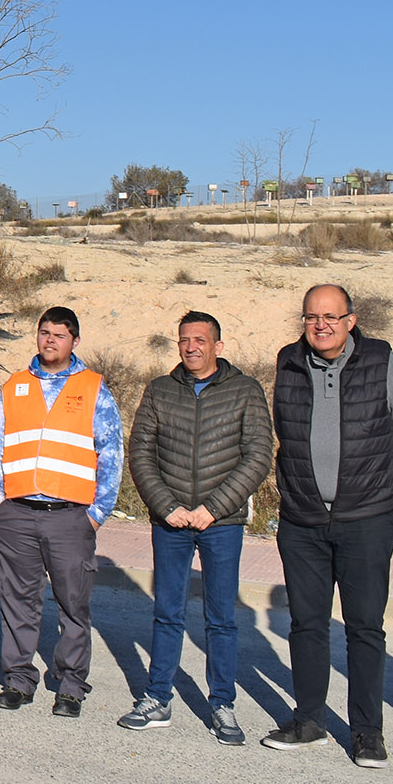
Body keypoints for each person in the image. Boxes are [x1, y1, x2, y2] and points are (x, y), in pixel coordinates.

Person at [262, 284, 393, 765]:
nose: (321, 325)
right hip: (303, 520)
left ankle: (367, 732)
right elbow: (284, 430)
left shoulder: (379, 359)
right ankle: (310, 719)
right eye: (313, 316)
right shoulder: (288, 361)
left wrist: (383, 482)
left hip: (366, 519)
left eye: (332, 316)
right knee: (307, 625)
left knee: (364, 629)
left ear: (351, 320)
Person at [120, 311, 273, 745]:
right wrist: (166, 506)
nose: (191, 347)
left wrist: (214, 507)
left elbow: (258, 455)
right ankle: (156, 698)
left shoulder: (245, 390)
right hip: (170, 521)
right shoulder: (160, 390)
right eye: (184, 340)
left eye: (200, 340)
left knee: (221, 617)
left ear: (217, 346)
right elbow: (141, 454)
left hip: (220, 524)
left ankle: (222, 704)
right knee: (167, 612)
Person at [0, 306, 123, 718]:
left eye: (59, 335)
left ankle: (71, 684)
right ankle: (18, 680)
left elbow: (111, 453)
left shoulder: (94, 388)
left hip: (70, 517)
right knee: (17, 601)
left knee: (73, 604)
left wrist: (96, 513)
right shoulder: (15, 386)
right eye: (44, 333)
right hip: (16, 515)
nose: (50, 341)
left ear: (74, 341)